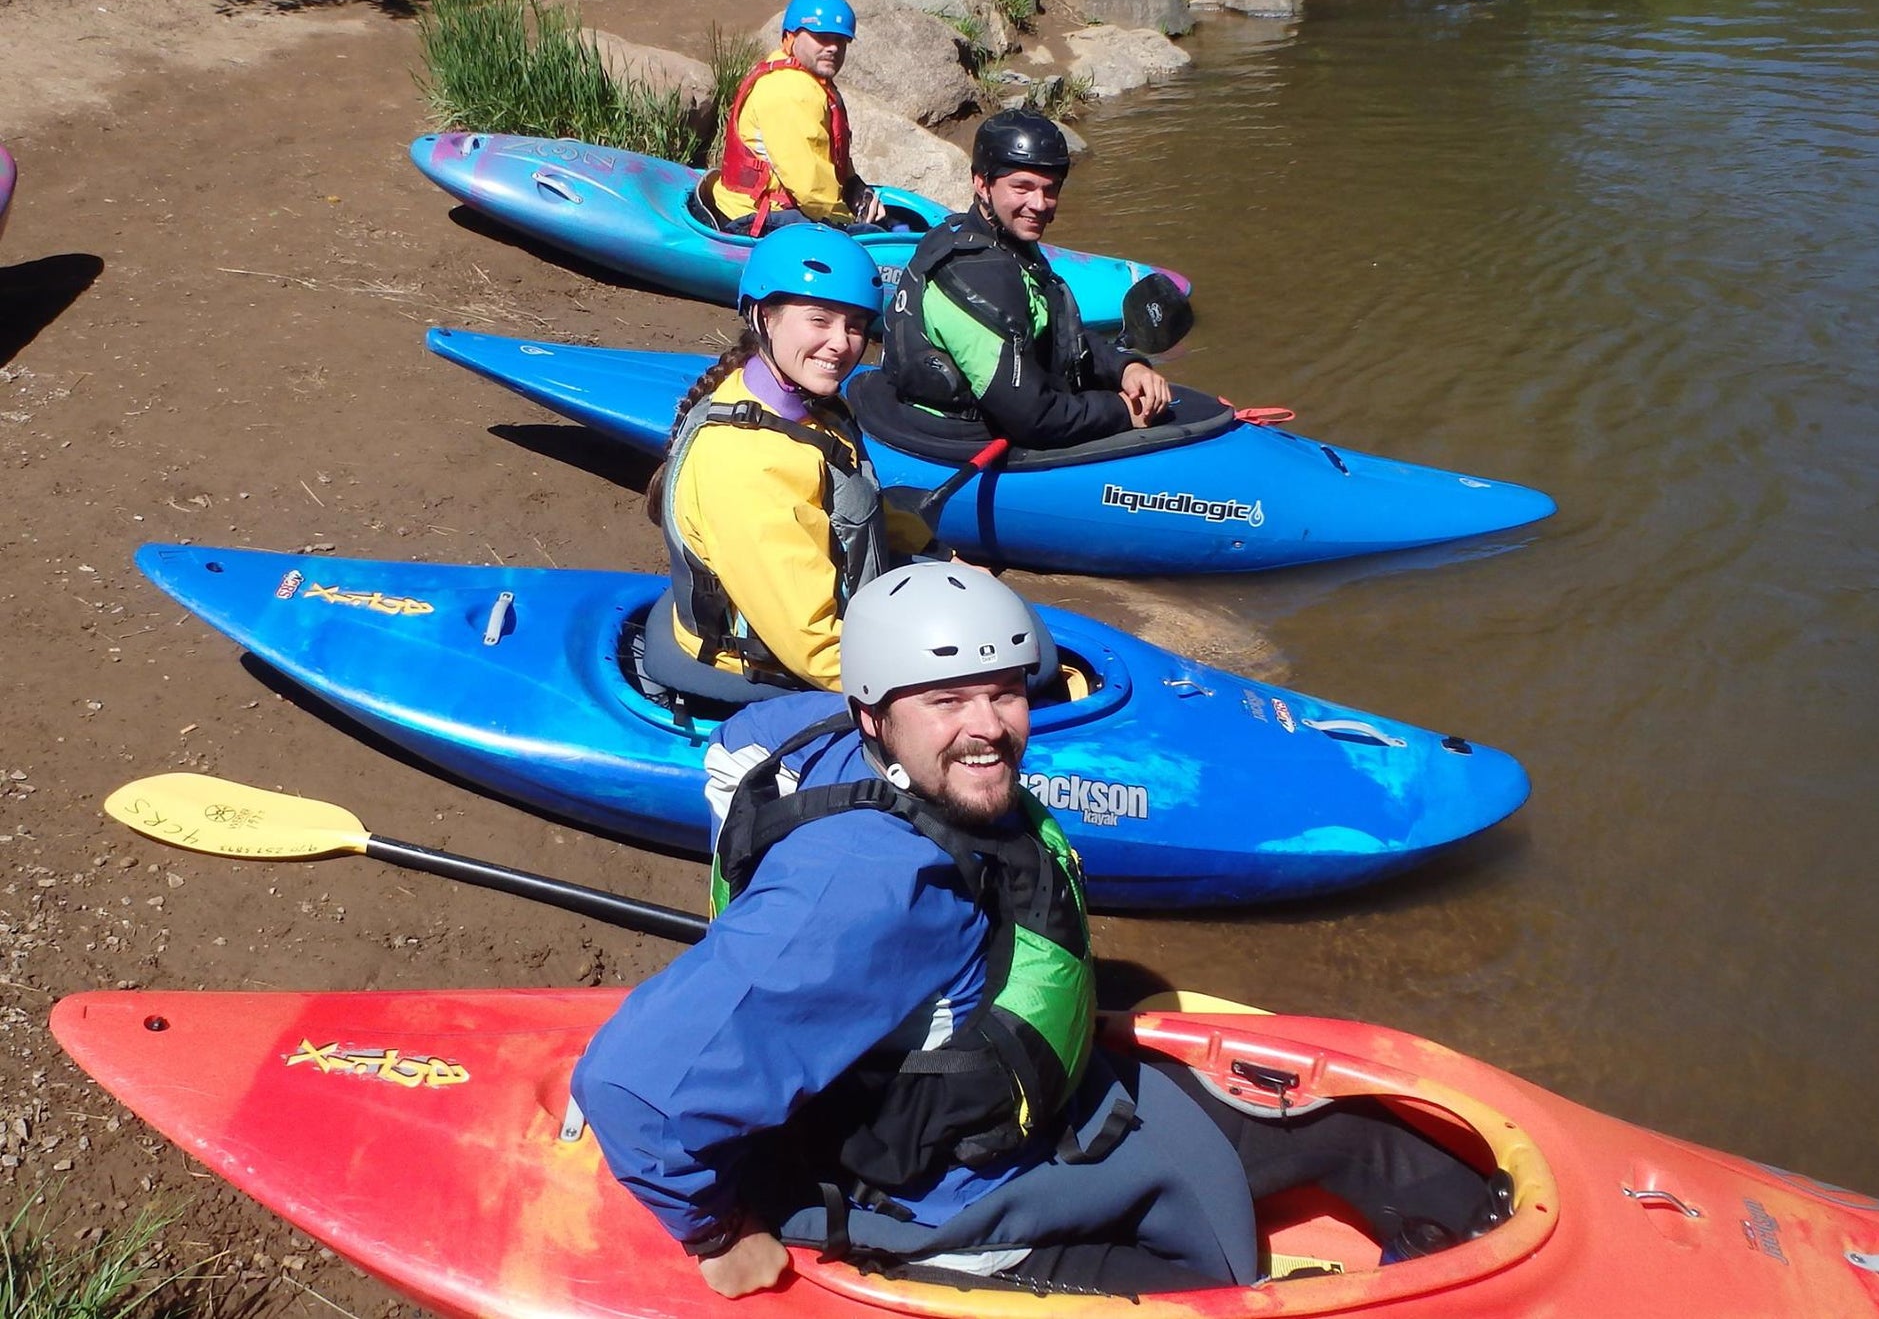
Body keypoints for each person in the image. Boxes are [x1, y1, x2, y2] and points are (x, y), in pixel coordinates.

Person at [573, 563, 1512, 1299]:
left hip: (1038, 1109)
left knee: (1366, 1142)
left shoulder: (825, 731)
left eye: (1004, 692)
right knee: (1213, 1289)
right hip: (930, 1196)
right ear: (874, 715)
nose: (989, 728)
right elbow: (631, 1087)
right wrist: (716, 1235)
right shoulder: (866, 884)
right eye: (946, 700)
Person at [643, 225, 932, 699]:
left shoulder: (805, 406)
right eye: (819, 320)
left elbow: (847, 506)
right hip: (765, 668)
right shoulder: (748, 464)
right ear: (763, 317)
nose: (842, 343)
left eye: (855, 325)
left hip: (811, 628)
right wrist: (932, 691)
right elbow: (814, 647)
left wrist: (932, 548)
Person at [881, 109, 1172, 449]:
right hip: (959, 438)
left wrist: (1125, 367)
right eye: (1022, 187)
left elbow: (1057, 328)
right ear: (982, 183)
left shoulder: (1003, 241)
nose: (1039, 204)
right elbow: (1034, 419)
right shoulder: (972, 274)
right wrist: (1121, 411)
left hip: (1013, 412)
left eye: (1050, 190)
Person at [707, 0, 884, 234]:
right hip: (755, 219)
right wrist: (849, 223)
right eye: (822, 37)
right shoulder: (789, 91)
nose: (833, 47)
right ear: (790, 38)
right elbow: (810, 189)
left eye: (841, 40)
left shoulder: (810, 80)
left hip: (778, 208)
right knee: (872, 237)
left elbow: (825, 153)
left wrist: (855, 186)